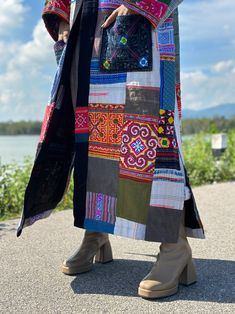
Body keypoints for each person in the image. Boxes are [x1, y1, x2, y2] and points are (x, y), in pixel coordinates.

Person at [17, 0, 205, 299]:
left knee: (151, 132)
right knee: (94, 140)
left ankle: (175, 246)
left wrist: (143, 4)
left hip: (141, 20)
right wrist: (62, 16)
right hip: (87, 26)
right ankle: (96, 232)